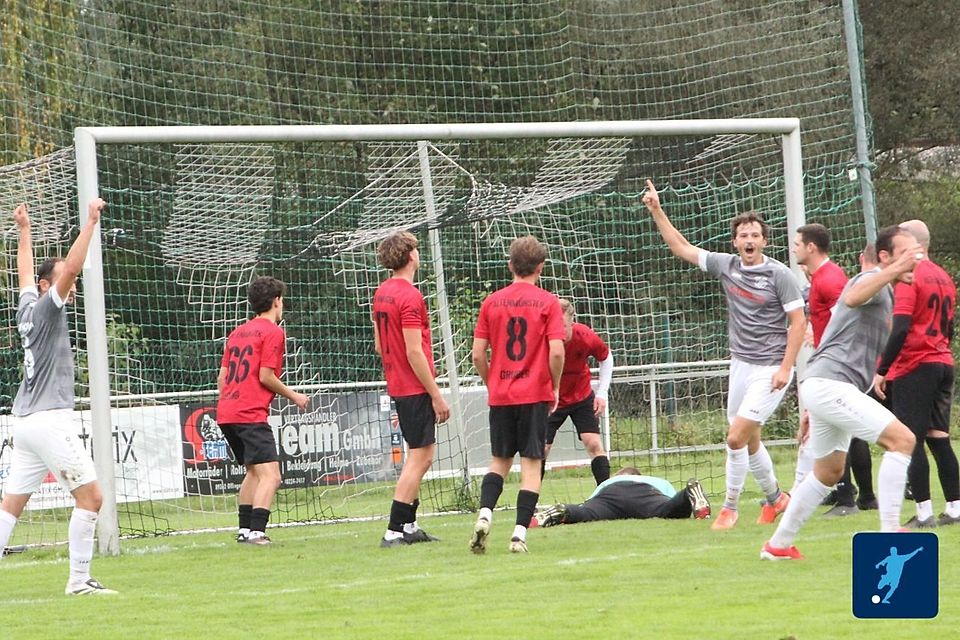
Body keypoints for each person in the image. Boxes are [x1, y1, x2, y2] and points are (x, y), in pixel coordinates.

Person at [642, 180, 805, 531]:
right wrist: (657, 211)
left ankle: (729, 507)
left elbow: (798, 321)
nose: (748, 241)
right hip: (741, 364)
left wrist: (786, 368)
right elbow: (682, 248)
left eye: (755, 235)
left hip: (771, 368)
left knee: (735, 437)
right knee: (750, 439)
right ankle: (777, 499)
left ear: (764, 240)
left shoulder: (779, 275)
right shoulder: (726, 265)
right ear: (735, 241)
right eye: (743, 235)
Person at [761, 225, 923, 560]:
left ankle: (777, 546)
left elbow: (838, 338)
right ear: (884, 256)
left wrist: (812, 407)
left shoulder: (885, 289)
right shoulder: (870, 281)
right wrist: (892, 271)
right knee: (903, 441)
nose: (915, 256)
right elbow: (852, 296)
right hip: (830, 386)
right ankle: (890, 529)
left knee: (828, 473)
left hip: (824, 387)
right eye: (907, 251)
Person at [0, 200, 118, 595]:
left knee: (10, 507)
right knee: (92, 498)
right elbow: (70, 268)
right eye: (62, 283)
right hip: (49, 420)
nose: (71, 285)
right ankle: (79, 581)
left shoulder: (26, 308)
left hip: (26, 423)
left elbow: (24, 274)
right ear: (49, 288)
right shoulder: (48, 308)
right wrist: (90, 222)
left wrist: (24, 230)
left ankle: (80, 581)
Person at [470, 236, 565, 553]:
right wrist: (554, 385)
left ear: (510, 265)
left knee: (499, 461)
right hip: (534, 394)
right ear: (541, 267)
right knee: (531, 465)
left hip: (502, 395)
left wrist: (491, 382)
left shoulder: (491, 302)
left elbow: (477, 354)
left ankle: (485, 515)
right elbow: (555, 352)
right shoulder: (549, 302)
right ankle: (519, 535)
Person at [873, 219, 959, 529]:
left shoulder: (909, 276)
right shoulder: (944, 276)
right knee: (939, 438)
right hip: (942, 361)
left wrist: (882, 369)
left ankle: (923, 513)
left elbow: (902, 326)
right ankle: (954, 507)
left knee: (910, 439)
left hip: (916, 363)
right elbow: (949, 325)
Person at [217, 276, 309, 545]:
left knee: (254, 473)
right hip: (249, 413)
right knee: (271, 476)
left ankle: (245, 530)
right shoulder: (273, 332)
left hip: (227, 411)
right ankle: (257, 532)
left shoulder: (237, 333)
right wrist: (295, 396)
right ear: (276, 301)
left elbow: (222, 379)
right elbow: (266, 376)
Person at [372, 231, 450, 547]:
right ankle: (393, 529)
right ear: (411, 255)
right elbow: (414, 351)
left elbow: (380, 345)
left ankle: (409, 526)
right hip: (414, 387)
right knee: (421, 457)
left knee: (417, 456)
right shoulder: (410, 296)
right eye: (416, 249)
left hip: (398, 385)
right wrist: (436, 394)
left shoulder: (381, 293)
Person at [791, 226, 876, 515]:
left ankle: (846, 499)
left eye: (798, 243)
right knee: (852, 430)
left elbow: (853, 314)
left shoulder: (830, 279)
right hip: (836, 361)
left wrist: (831, 345)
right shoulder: (821, 278)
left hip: (840, 365)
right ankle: (863, 496)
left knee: (839, 426)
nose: (794, 248)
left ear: (811, 247)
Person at [542, 299, 613, 485]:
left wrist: (602, 393)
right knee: (541, 449)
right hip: (551, 399)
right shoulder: (541, 339)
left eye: (563, 326)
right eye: (554, 326)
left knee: (594, 444)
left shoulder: (585, 336)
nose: (559, 332)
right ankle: (532, 501)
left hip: (581, 397)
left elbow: (606, 358)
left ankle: (606, 493)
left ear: (572, 323)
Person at [535, 468, 710, 526]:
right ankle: (690, 491)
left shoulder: (608, 482)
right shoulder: (654, 480)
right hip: (646, 492)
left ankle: (562, 510)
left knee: (585, 513)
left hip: (609, 495)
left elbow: (589, 503)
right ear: (638, 475)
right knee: (669, 509)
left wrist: (582, 510)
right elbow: (670, 500)